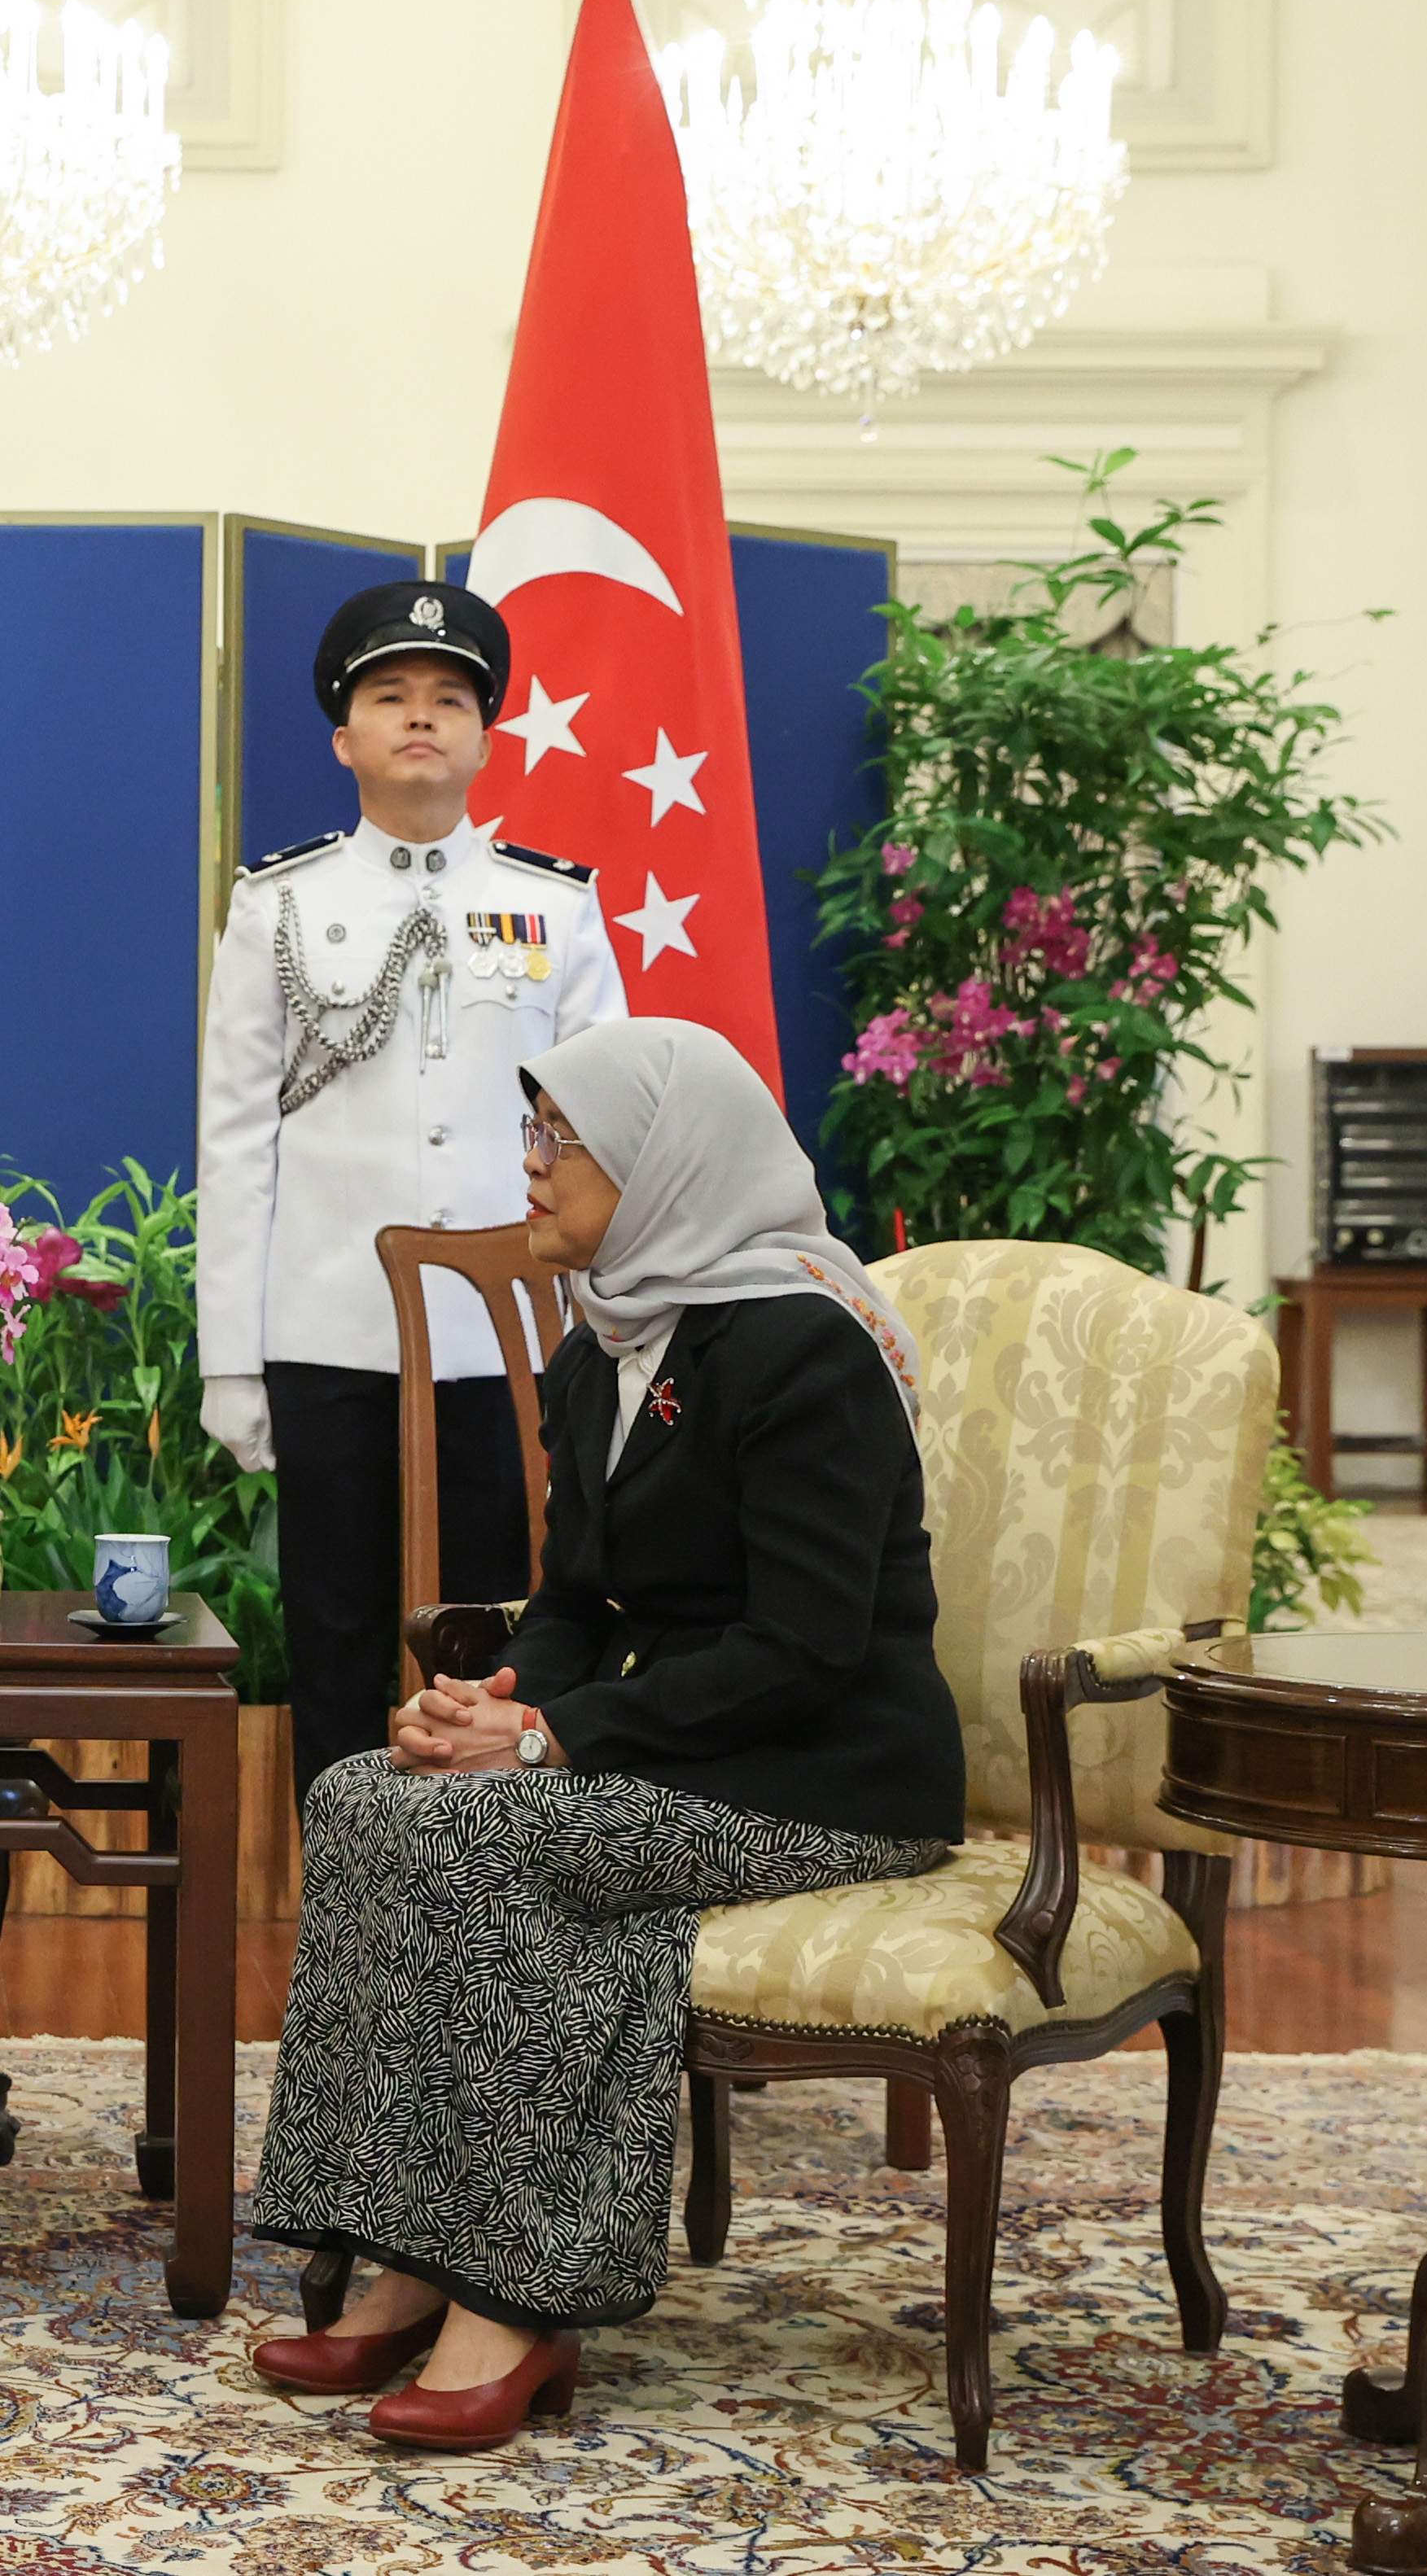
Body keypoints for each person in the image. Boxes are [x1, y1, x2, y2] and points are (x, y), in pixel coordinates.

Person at [243, 1015, 964, 2453]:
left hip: (827, 1771)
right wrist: (494, 1703)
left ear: (664, 1159)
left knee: (499, 1838)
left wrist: (552, 1744)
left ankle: (512, 2296)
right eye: (532, 1138)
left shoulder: (801, 1344)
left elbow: (807, 1649)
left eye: (555, 1143)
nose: (531, 1170)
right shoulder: (610, 1343)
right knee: (364, 1792)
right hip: (682, 1749)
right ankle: (405, 2251)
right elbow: (573, 1601)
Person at [195, 576, 628, 1797]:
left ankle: (490, 1895)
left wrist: (617, 1326)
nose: (420, 718)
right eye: (389, 696)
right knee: (335, 1626)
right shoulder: (278, 903)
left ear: (487, 735)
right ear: (345, 737)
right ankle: (345, 1915)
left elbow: (612, 1128)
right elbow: (234, 1136)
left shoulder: (554, 903)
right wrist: (233, 1358)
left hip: (515, 1343)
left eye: (449, 697)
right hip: (331, 1328)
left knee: (502, 1629)